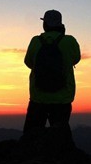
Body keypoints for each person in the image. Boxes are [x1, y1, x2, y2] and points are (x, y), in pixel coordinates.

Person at [22, 9, 81, 147]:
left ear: (45, 24)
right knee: (61, 136)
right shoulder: (70, 41)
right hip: (62, 99)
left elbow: (29, 63)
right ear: (60, 24)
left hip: (38, 97)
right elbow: (75, 59)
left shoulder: (35, 41)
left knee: (31, 136)